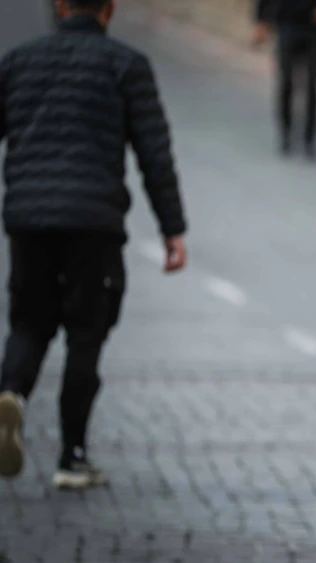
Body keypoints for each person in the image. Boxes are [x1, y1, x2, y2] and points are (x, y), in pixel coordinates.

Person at [0, 0, 187, 489]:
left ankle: (11, 395)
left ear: (60, 7)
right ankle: (72, 456)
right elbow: (154, 151)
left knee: (29, 322)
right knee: (86, 334)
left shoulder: (18, 61)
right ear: (110, 10)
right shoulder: (127, 65)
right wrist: (173, 228)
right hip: (93, 224)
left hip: (28, 219)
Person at [253, 0, 316, 158]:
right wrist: (261, 20)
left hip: (315, 26)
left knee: (313, 85)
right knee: (286, 82)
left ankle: (310, 139)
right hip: (287, 23)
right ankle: (286, 134)